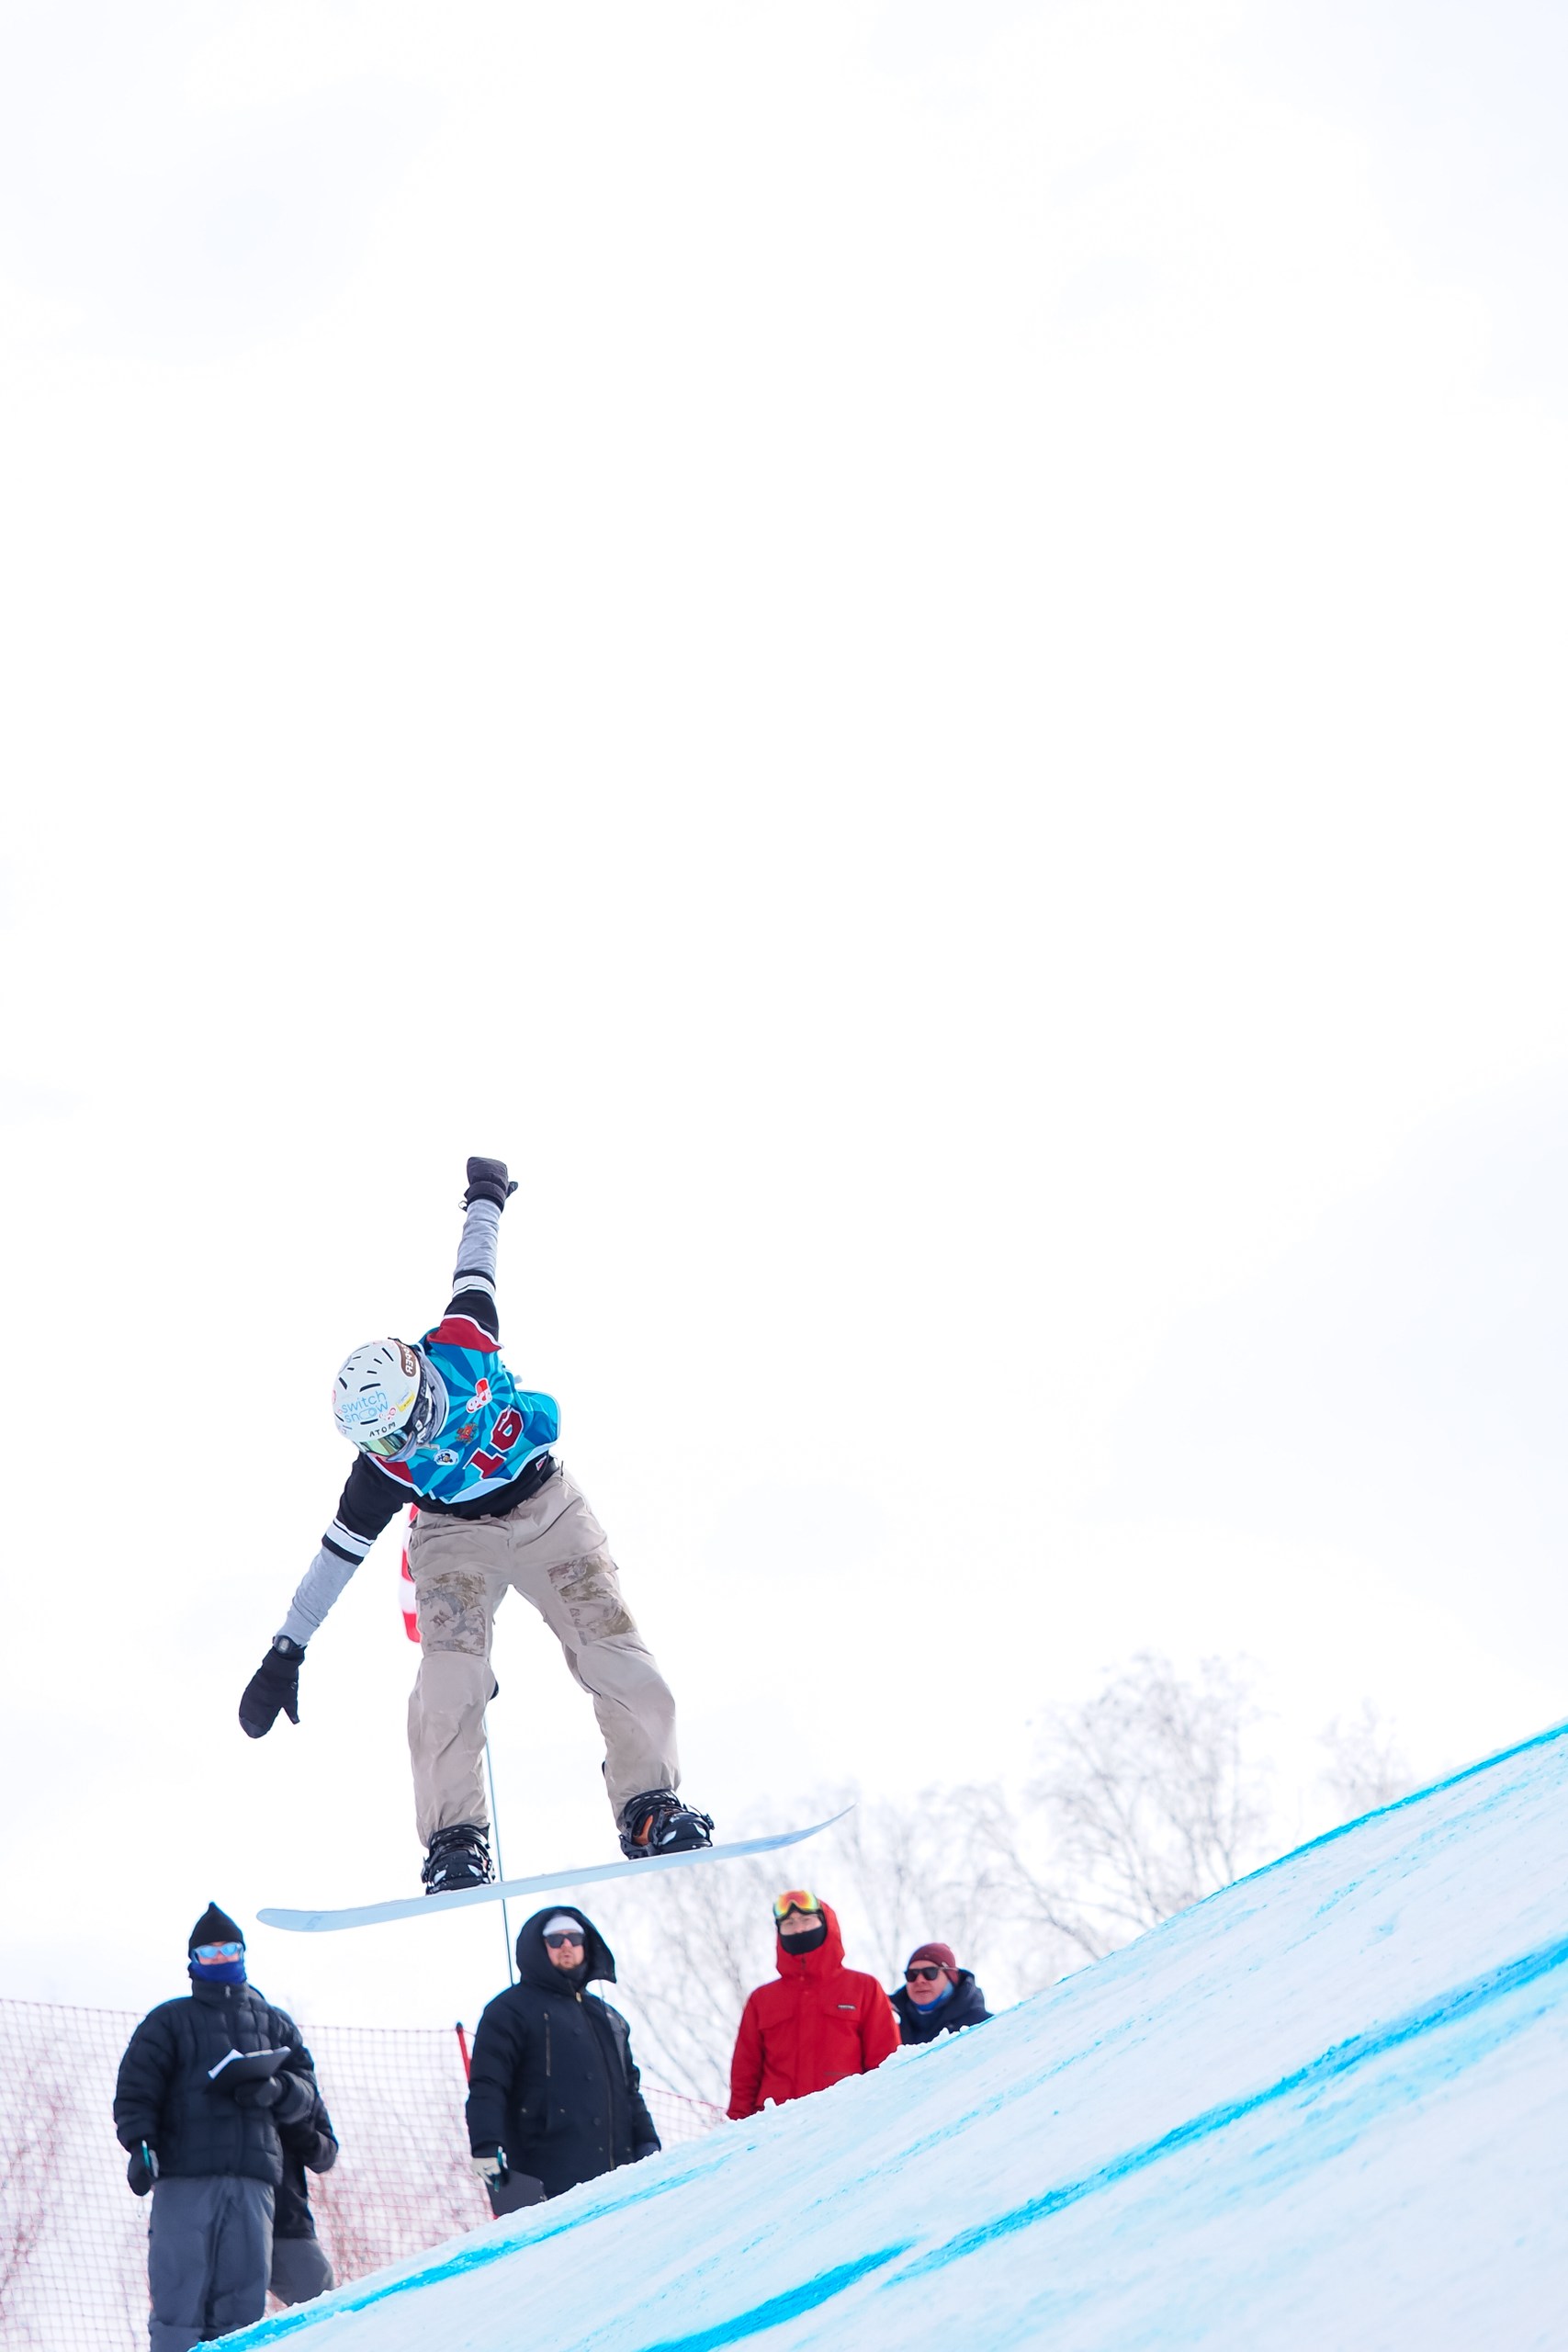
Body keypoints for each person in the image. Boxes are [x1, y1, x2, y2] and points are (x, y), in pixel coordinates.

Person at [237, 1157, 713, 1892]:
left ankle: (649, 1805)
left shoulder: (463, 1343)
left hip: (547, 1509)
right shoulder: (383, 1473)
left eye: (394, 1434)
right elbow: (335, 1557)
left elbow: (476, 1264)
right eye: (374, 1444)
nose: (391, 1452)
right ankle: (454, 1838)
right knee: (449, 1680)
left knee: (613, 1650)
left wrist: (485, 1196)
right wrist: (286, 1650)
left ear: (418, 1397)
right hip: (453, 1540)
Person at [112, 1905, 329, 2352]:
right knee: (178, 2300)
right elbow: (136, 2090)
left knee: (241, 2309)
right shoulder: (168, 2021)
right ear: (192, 1962)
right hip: (185, 2179)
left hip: (254, 2182)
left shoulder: (274, 2023)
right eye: (209, 1953)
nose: (220, 1959)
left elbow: (308, 2091)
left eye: (229, 1950)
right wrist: (140, 2146)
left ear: (243, 1954)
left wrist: (278, 2090)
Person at [465, 1907, 660, 2202]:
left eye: (574, 1938)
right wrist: (485, 2144)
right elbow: (488, 2083)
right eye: (555, 1939)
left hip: (621, 2176)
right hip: (545, 2180)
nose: (566, 1945)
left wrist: (647, 2142)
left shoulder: (608, 2018)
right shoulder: (509, 2011)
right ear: (538, 1946)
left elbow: (630, 2090)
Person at [727, 1890, 898, 2120]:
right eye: (789, 1924)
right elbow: (745, 2072)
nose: (799, 1929)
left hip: (846, 2118)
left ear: (826, 1925)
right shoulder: (761, 1999)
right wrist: (737, 2125)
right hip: (775, 2124)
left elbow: (886, 2061)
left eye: (807, 1920)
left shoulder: (864, 1988)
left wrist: (885, 2116)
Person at [268, 2077, 340, 2308]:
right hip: (216, 2220)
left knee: (324, 2304)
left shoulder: (295, 2076)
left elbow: (325, 2154)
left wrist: (293, 2118)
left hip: (285, 2221)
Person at [891, 1940, 993, 2044]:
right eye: (912, 1974)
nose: (920, 1980)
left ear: (951, 1977)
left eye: (930, 1972)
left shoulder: (986, 2027)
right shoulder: (890, 2029)